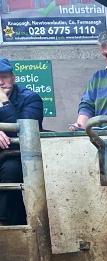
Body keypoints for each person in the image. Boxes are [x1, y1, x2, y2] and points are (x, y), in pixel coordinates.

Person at [0, 58, 43, 226]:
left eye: (4, 77)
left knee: (11, 170)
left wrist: (3, 101)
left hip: (18, 156)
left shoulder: (31, 98)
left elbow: (23, 132)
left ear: (13, 78)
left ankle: (5, 225)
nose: (0, 82)